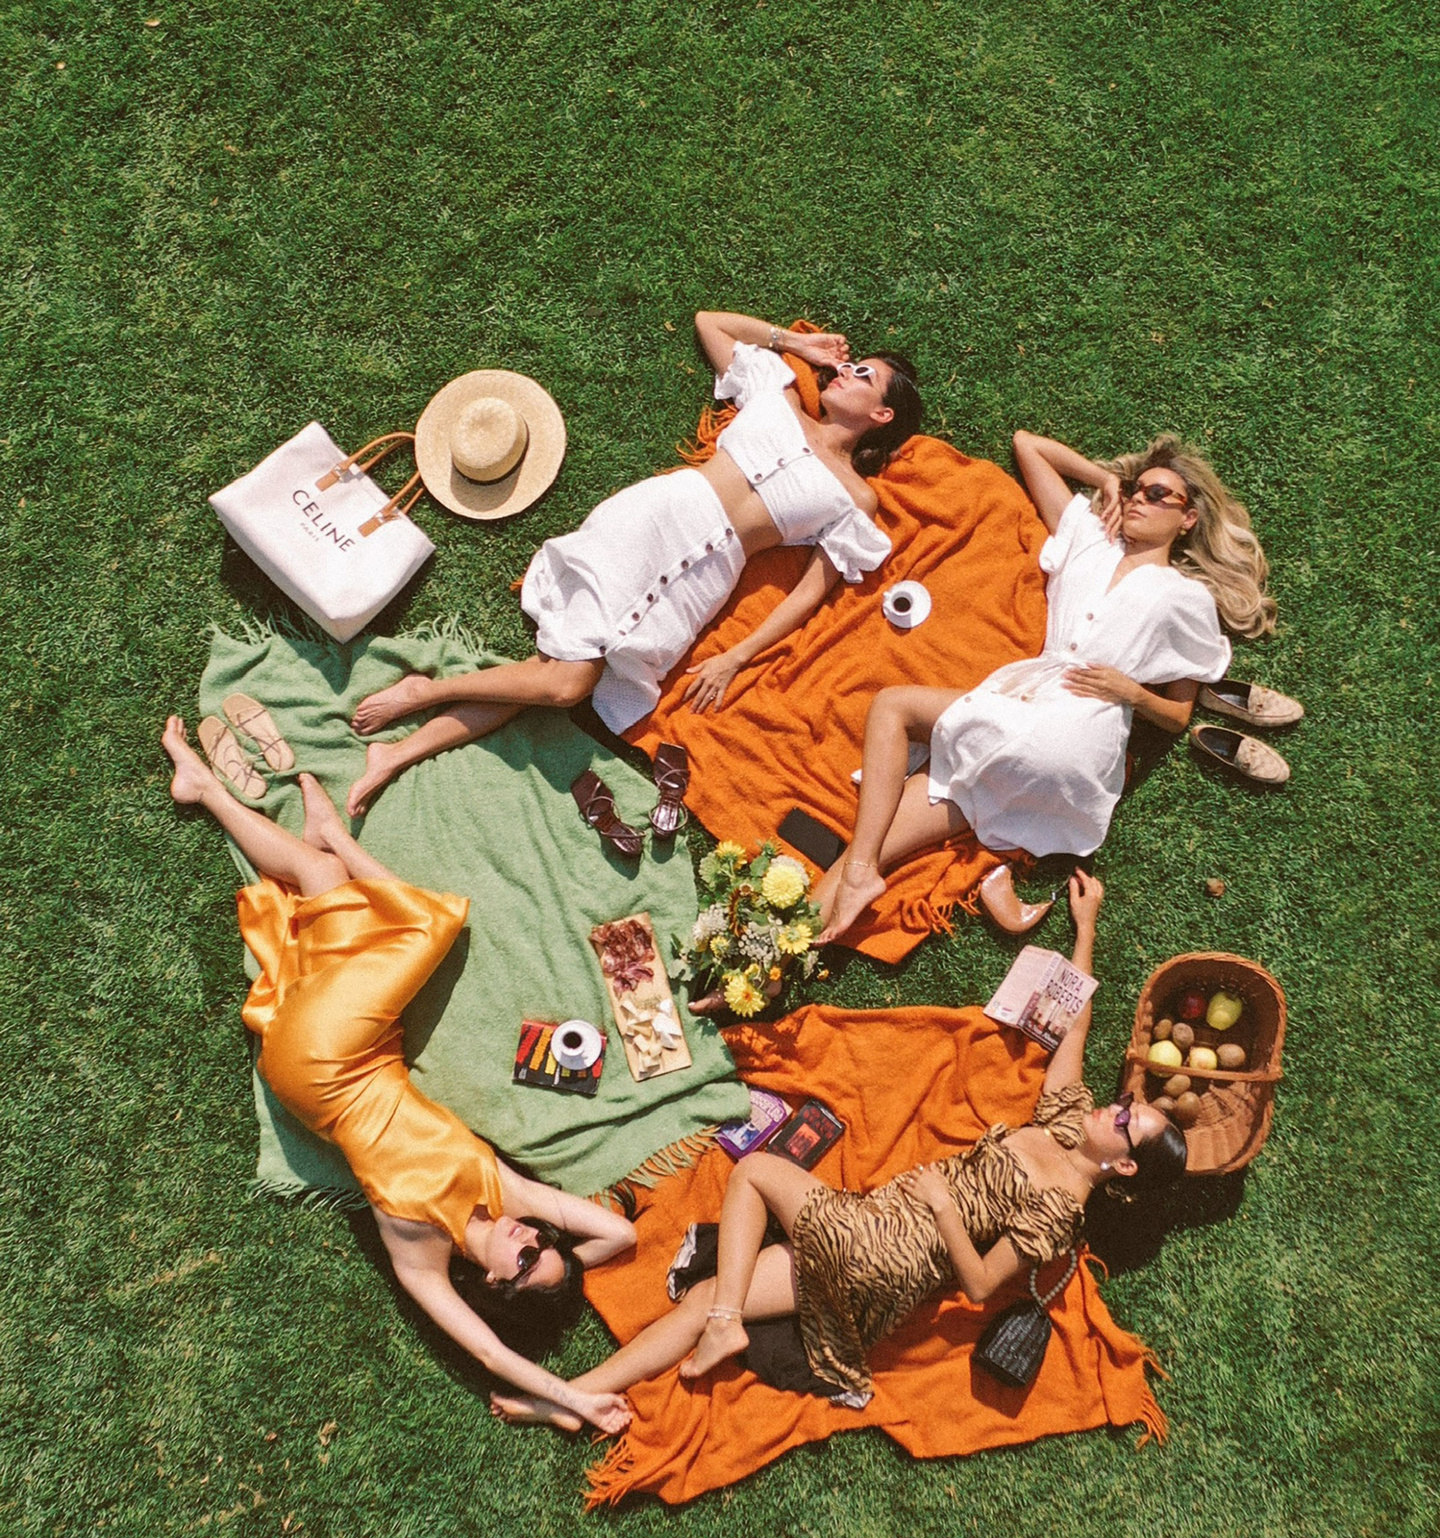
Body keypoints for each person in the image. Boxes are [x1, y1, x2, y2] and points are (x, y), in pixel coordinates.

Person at [491, 873, 1187, 1429]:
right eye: (1126, 1104)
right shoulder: (1068, 1124)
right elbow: (1072, 1028)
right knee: (708, 1293)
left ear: (1122, 1165)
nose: (1115, 1107)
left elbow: (979, 1285)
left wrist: (945, 1208)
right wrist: (1087, 927)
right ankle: (568, 1396)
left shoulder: (1061, 1209)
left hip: (895, 1253)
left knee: (759, 1172)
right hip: (872, 1228)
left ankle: (726, 1325)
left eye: (1126, 1123)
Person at [161, 716, 636, 1434]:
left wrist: (570, 1402)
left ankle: (331, 835)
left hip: (322, 1065)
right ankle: (219, 796)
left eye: (529, 1257)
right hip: (359, 1054)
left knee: (433, 926)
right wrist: (570, 1260)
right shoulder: (506, 1192)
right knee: (321, 883)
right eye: (544, 1243)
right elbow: (618, 1237)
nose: (532, 1237)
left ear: (495, 1283)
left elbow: (485, 1349)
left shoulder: (423, 1255)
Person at [343, 312, 922, 815]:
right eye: (850, 364)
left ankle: (396, 753)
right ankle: (424, 694)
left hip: (708, 577)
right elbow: (709, 322)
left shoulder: (855, 500)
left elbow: (807, 594)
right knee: (567, 681)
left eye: (863, 375)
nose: (844, 371)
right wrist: (796, 344)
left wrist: (737, 657)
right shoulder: (779, 393)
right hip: (656, 520)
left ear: (882, 416)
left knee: (550, 675)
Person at [813, 431, 1272, 940]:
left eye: (1160, 493)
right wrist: (1106, 482)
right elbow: (1026, 444)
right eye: (1138, 489)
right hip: (1026, 729)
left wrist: (1133, 692)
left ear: (1188, 520)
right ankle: (760, 965)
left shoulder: (1186, 598)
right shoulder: (1092, 538)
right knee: (868, 846)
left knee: (892, 705)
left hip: (1076, 728)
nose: (1141, 498)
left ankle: (858, 876)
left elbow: (1178, 717)